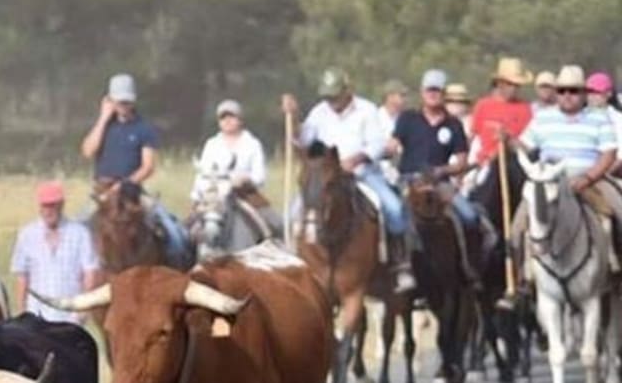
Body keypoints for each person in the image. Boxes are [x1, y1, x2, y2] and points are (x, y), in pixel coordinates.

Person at [283, 68, 415, 292]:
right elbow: (303, 140)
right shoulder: (319, 112)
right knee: (293, 212)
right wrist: (293, 118)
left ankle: (400, 265)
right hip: (327, 176)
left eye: (335, 95)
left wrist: (355, 159)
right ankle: (291, 262)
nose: (332, 101)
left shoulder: (367, 110)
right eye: (328, 96)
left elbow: (376, 144)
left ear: (347, 91)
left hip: (363, 173)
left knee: (392, 208)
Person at [511, 65, 620, 269]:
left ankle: (615, 267)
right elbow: (525, 146)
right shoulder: (543, 118)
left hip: (590, 179)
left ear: (583, 93)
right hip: (547, 182)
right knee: (518, 227)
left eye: (573, 90)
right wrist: (508, 141)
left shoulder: (599, 118)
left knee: (618, 211)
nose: (567, 95)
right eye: (562, 90)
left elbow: (608, 154)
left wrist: (588, 178)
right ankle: (522, 279)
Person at [80, 73, 189, 261]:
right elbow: (88, 151)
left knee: (173, 232)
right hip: (103, 194)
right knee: (77, 228)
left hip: (132, 192)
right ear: (110, 101)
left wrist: (123, 184)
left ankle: (178, 267)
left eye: (127, 102)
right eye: (119, 102)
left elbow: (148, 166)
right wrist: (103, 118)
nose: (124, 106)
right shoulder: (103, 127)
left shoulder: (144, 129)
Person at [391, 69, 485, 284]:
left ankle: (469, 266)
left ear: (444, 94)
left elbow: (461, 161)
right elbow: (393, 145)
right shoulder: (408, 119)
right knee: (396, 212)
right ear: (422, 92)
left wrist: (442, 170)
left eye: (437, 90)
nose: (433, 94)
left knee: (469, 216)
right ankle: (402, 266)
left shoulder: (453, 124)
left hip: (440, 182)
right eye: (429, 90)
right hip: (410, 179)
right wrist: (385, 151)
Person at [11, 180, 101, 323]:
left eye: (53, 205)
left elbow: (90, 272)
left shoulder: (80, 233)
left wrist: (84, 309)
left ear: (61, 205)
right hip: (36, 315)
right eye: (45, 206)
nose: (48, 210)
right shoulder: (27, 235)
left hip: (70, 316)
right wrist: (22, 311)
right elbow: (22, 277)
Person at [189, 99, 281, 236]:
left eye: (231, 117)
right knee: (187, 230)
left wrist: (246, 179)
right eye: (223, 118)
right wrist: (196, 197)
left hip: (245, 195)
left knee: (277, 224)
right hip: (214, 197)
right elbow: (202, 174)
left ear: (240, 120)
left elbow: (260, 177)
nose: (227, 121)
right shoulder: (212, 144)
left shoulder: (252, 144)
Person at [469, 57, 534, 176]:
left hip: (514, 165)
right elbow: (473, 138)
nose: (513, 89)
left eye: (517, 85)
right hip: (485, 164)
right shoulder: (483, 105)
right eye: (510, 84)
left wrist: (509, 140)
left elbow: (528, 147)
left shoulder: (526, 109)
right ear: (499, 83)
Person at [587, 72, 622, 174]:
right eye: (589, 91)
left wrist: (601, 175)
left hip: (611, 172)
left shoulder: (618, 119)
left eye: (596, 92)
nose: (591, 96)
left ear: (608, 94)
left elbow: (620, 157)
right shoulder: (580, 116)